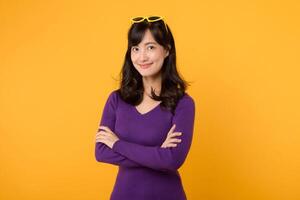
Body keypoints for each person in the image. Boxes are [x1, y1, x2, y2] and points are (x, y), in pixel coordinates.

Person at [95, 15, 196, 200]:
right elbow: (101, 152)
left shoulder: (183, 103)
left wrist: (117, 144)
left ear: (166, 50)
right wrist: (158, 155)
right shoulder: (116, 100)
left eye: (150, 47)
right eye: (135, 48)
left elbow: (173, 160)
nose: (142, 56)